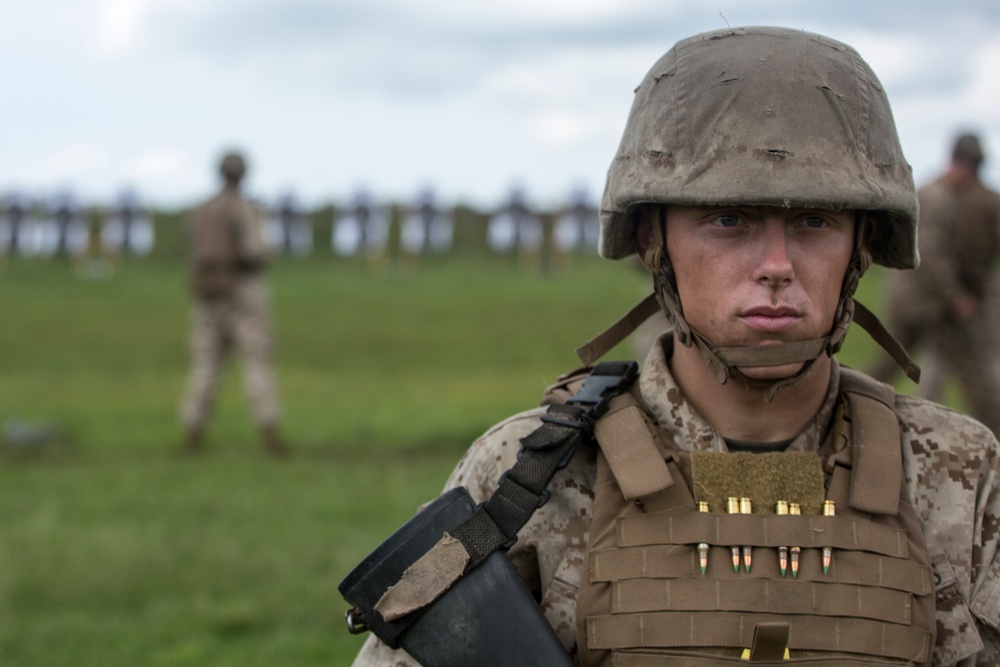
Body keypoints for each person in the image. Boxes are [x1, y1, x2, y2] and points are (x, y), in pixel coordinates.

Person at [348, 27, 1000, 666]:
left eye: (814, 221)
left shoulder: (956, 473)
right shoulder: (529, 478)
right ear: (654, 241)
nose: (776, 264)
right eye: (728, 220)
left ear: (861, 244)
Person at [872, 133, 1000, 435]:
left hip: (926, 302)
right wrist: (957, 298)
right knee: (970, 367)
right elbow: (931, 257)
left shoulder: (942, 195)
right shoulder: (935, 197)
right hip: (922, 302)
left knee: (894, 363)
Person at [178, 151, 288, 456]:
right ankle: (269, 430)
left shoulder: (202, 210)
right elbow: (256, 251)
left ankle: (193, 430)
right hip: (243, 293)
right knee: (256, 363)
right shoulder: (245, 209)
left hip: (207, 293)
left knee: (205, 365)